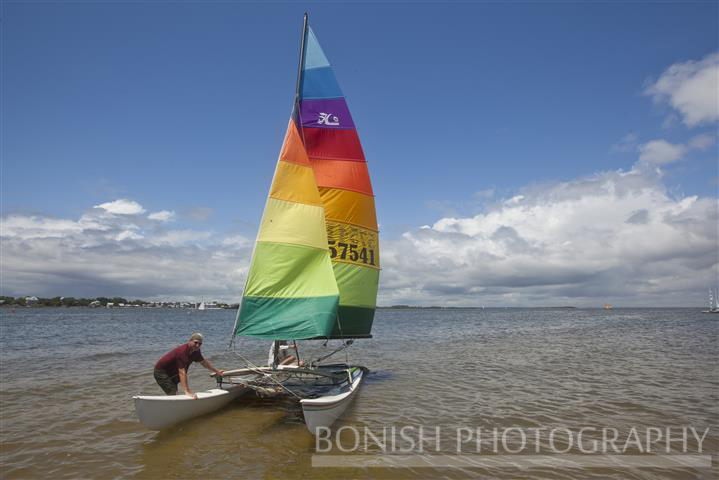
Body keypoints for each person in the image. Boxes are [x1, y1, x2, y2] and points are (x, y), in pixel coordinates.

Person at [154, 333, 224, 399]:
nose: (197, 345)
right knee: (173, 393)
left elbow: (204, 362)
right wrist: (187, 391)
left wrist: (217, 371)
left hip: (173, 373)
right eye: (195, 342)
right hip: (161, 372)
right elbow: (182, 372)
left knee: (174, 391)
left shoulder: (196, 351)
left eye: (200, 344)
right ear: (190, 341)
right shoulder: (182, 351)